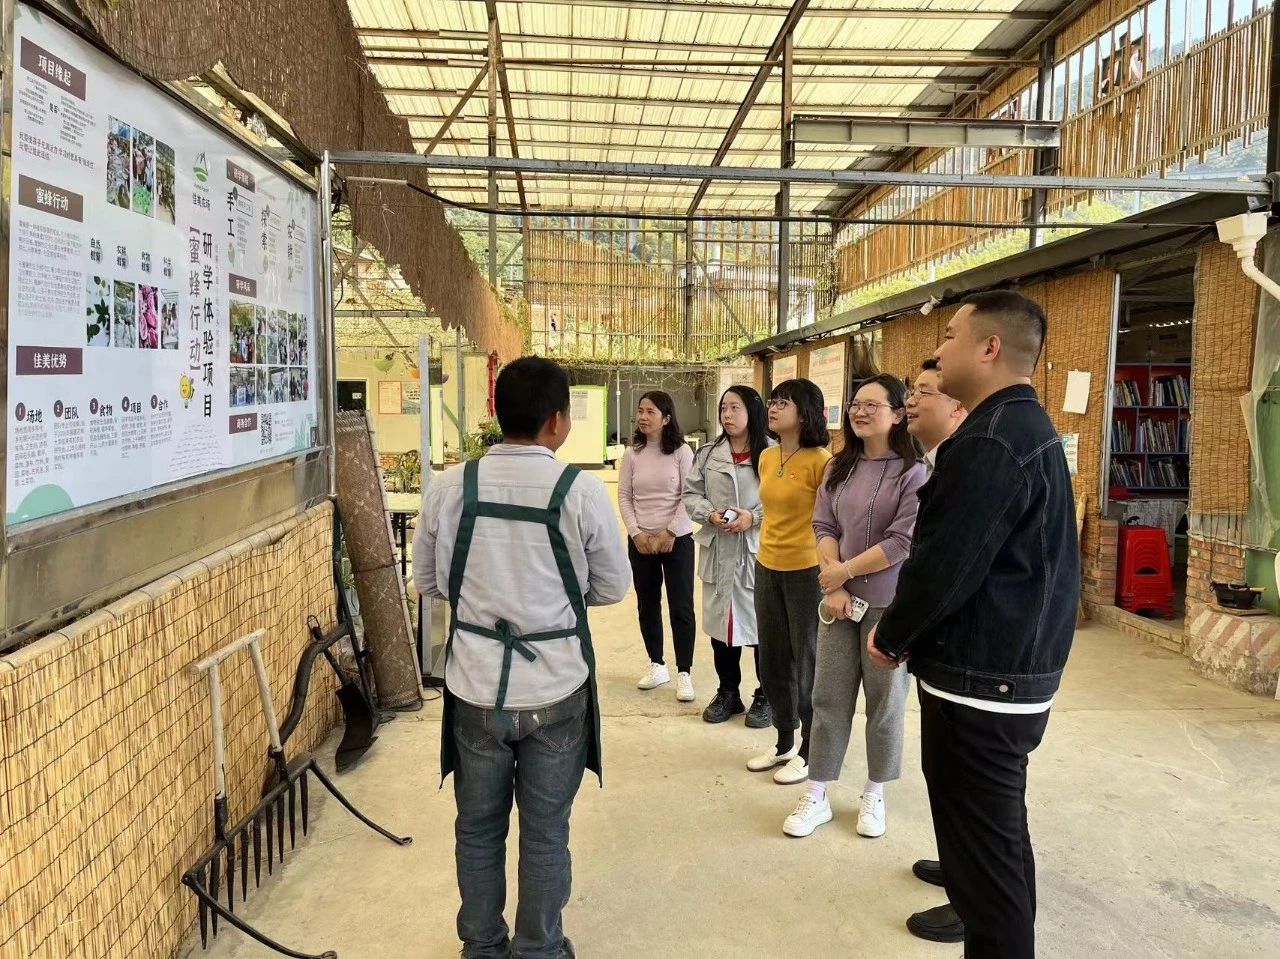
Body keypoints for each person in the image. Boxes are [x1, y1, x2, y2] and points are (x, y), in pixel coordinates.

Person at [868, 291, 1080, 959]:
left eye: (951, 336)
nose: (939, 349)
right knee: (997, 844)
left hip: (984, 682)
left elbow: (946, 565)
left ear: (990, 347)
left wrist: (892, 635)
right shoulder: (1021, 426)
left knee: (989, 873)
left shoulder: (990, 441)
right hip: (1006, 672)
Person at [413, 356, 631, 959]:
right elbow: (613, 587)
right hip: (556, 687)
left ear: (496, 412)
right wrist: (551, 607)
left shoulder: (450, 487)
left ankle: (482, 946)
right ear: (557, 421)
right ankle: (538, 948)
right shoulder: (579, 491)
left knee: (477, 828)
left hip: (474, 687)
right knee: (545, 831)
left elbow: (428, 583)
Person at [783, 374, 925, 839]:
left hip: (887, 606)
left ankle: (874, 792)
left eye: (872, 405)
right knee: (828, 698)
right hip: (838, 604)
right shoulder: (838, 467)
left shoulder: (914, 472)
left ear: (898, 413)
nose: (859, 412)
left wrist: (841, 572)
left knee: (885, 704)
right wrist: (834, 584)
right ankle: (818, 791)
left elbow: (901, 541)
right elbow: (823, 524)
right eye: (855, 404)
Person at [902, 357, 971, 945]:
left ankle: (971, 900)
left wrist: (894, 635)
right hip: (945, 654)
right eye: (912, 390)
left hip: (973, 662)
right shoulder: (935, 460)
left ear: (957, 408)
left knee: (972, 787)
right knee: (946, 778)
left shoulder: (970, 463)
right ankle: (958, 864)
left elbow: (944, 569)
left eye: (925, 391)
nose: (912, 400)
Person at [747, 378, 831, 785]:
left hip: (806, 571)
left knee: (807, 659)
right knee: (772, 657)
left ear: (805, 412)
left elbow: (831, 521)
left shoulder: (822, 461)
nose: (773, 407)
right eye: (773, 401)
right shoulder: (767, 456)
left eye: (783, 402)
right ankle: (783, 740)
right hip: (767, 565)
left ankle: (811, 749)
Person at [682, 385, 773, 727]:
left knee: (762, 627)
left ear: (752, 411)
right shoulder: (708, 454)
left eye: (735, 408)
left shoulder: (773, 453)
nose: (727, 415)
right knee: (722, 626)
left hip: (756, 551)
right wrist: (710, 513)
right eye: (724, 408)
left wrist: (754, 517)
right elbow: (690, 494)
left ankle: (767, 694)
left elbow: (787, 500)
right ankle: (728, 692)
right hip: (719, 550)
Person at [619, 391, 698, 701]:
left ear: (666, 418)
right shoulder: (632, 454)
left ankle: (684, 672)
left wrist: (670, 532)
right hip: (641, 542)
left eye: (650, 411)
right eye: (641, 410)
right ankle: (657, 664)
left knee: (681, 606)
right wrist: (636, 533)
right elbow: (625, 496)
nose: (643, 416)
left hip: (676, 540)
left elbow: (688, 495)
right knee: (647, 604)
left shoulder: (681, 452)